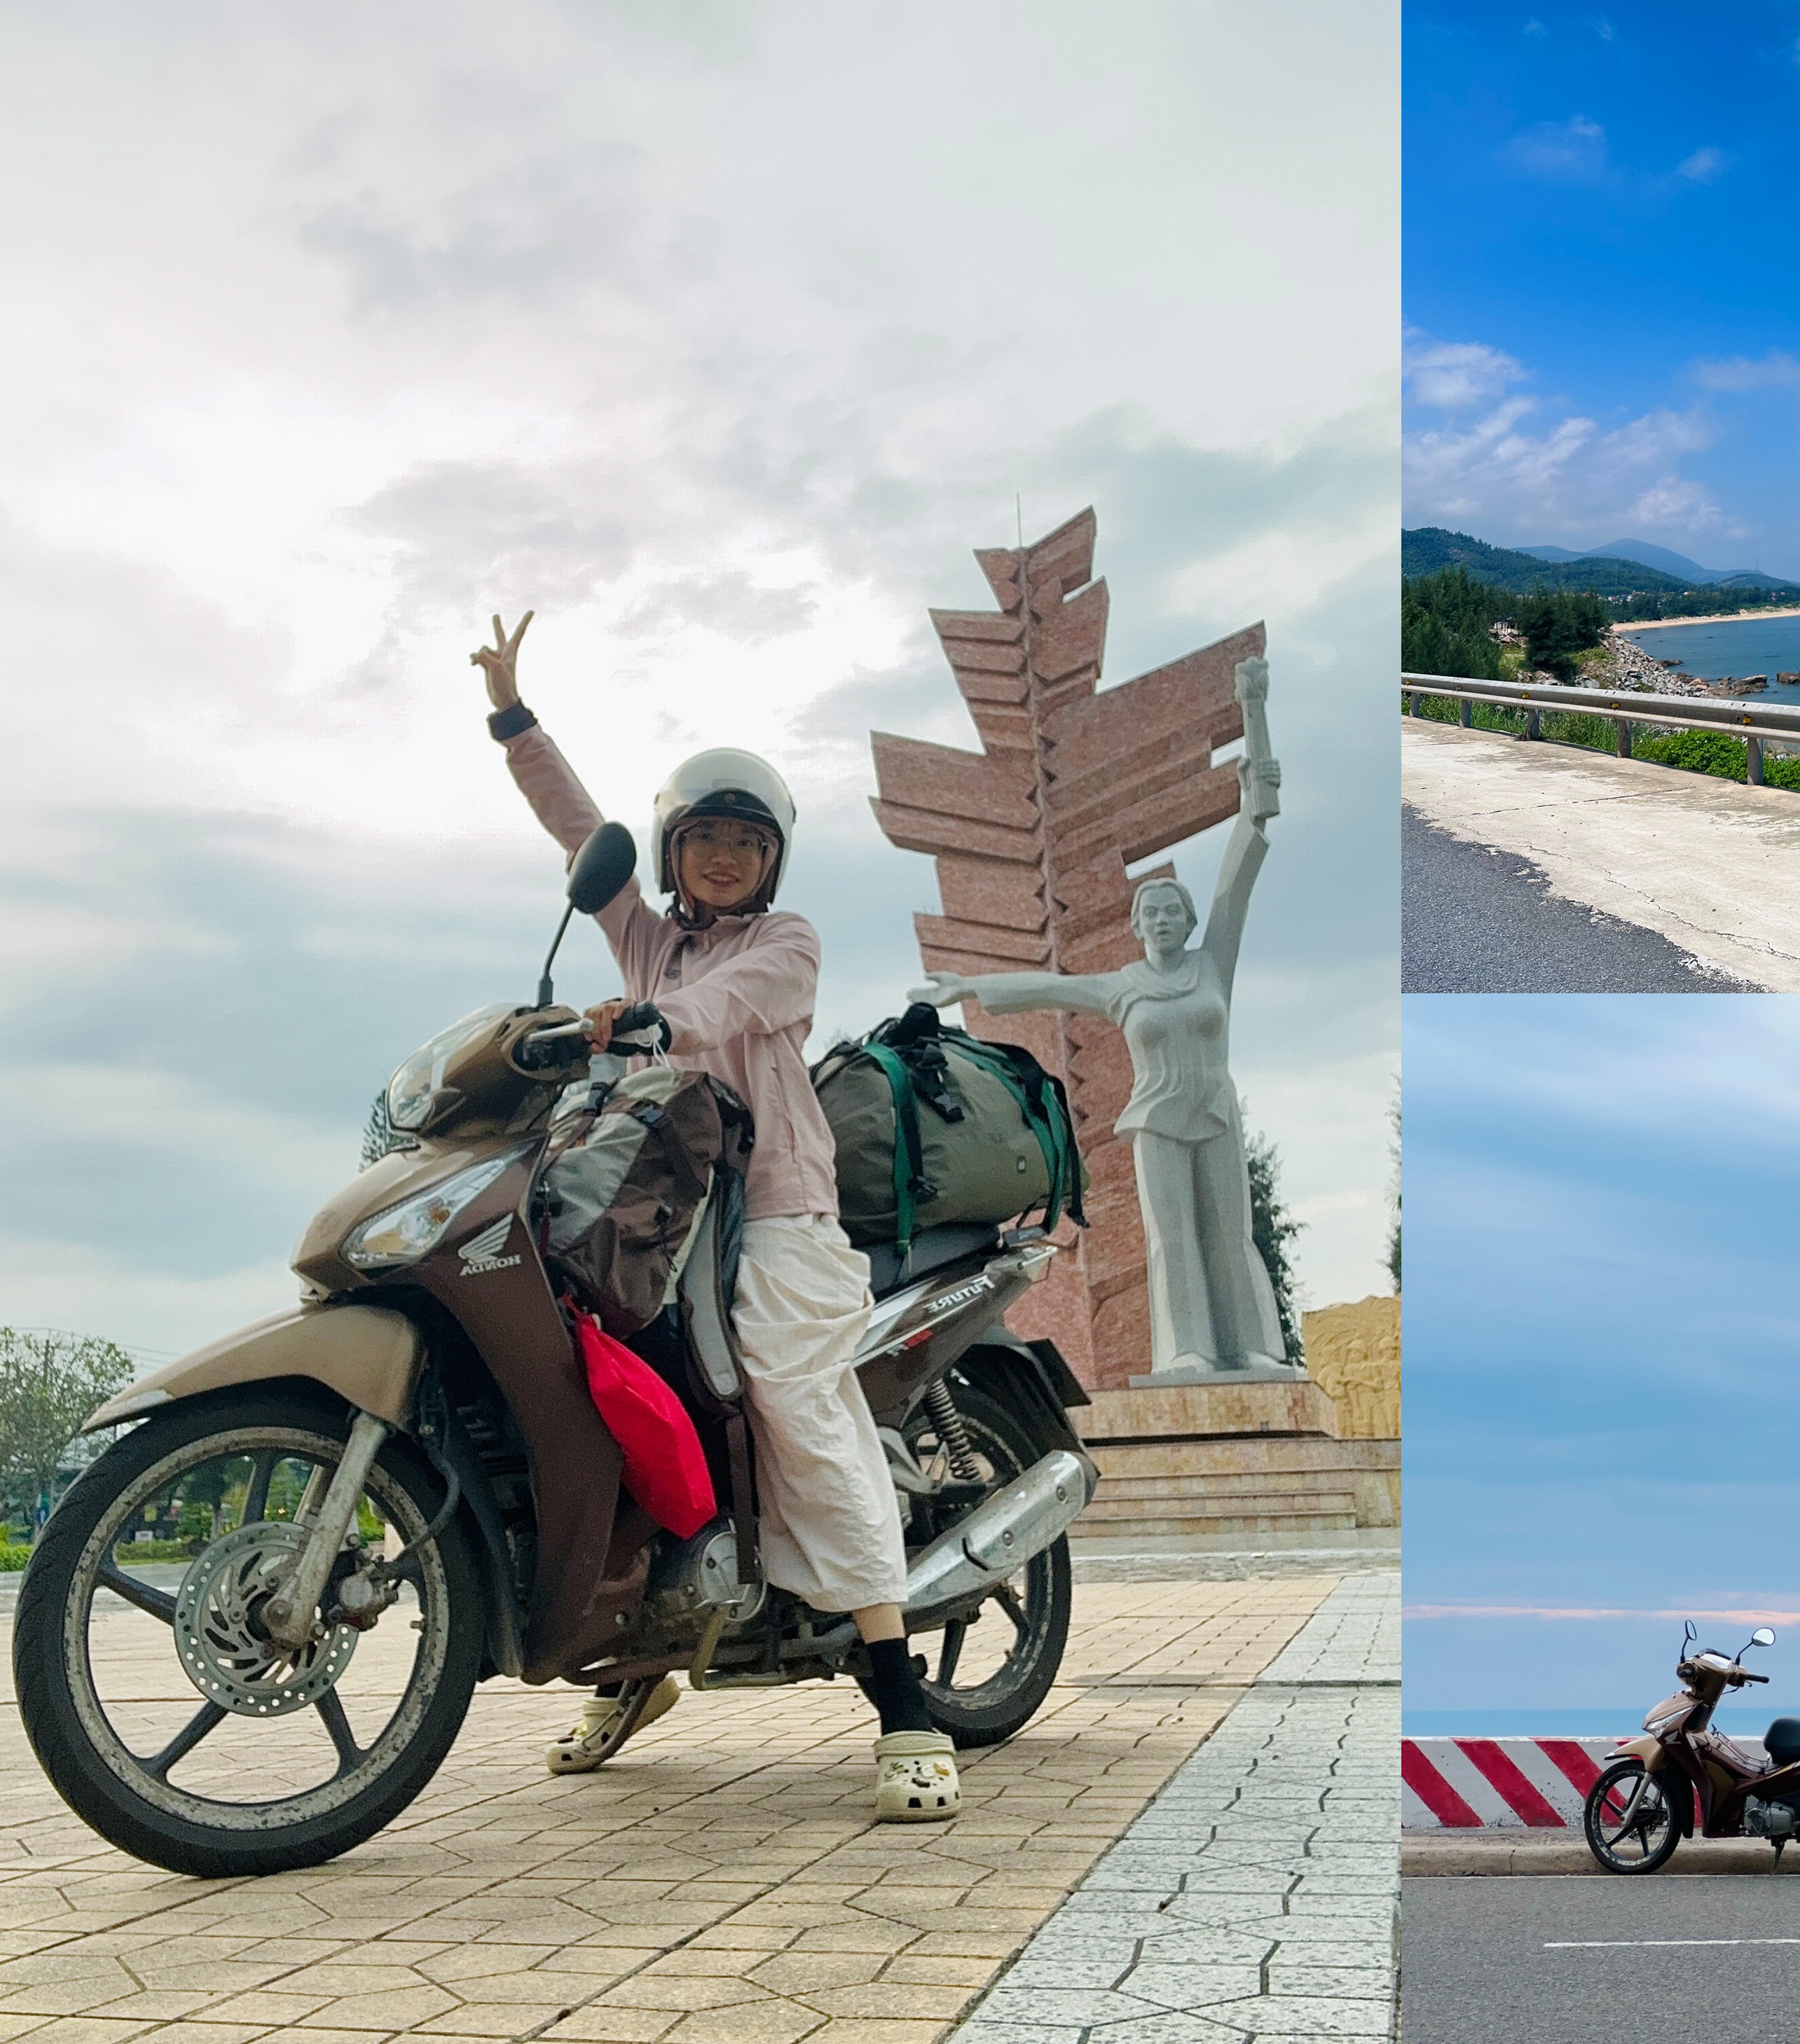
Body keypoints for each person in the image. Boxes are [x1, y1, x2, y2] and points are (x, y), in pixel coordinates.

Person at [469, 611, 959, 1824]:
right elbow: (586, 838)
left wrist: (647, 1023)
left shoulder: (780, 943)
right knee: (606, 1406)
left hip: (776, 1216)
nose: (725, 857)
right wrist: (514, 718)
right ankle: (641, 1666)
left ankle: (900, 1698)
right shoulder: (644, 937)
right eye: (706, 840)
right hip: (652, 1217)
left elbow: (736, 1004)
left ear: (771, 858)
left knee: (795, 1408)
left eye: (748, 841)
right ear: (678, 852)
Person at [912, 656, 1286, 1376]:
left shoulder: (1215, 963)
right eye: (1152, 913)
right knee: (1171, 1240)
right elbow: (1044, 988)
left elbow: (1248, 845)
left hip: (1214, 1108)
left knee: (1230, 1233)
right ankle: (1189, 1352)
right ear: (1138, 927)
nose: (1166, 920)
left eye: (1174, 910)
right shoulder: (1122, 985)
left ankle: (1255, 1350)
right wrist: (967, 981)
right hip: (1154, 1120)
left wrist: (1255, 711)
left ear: (1187, 919)